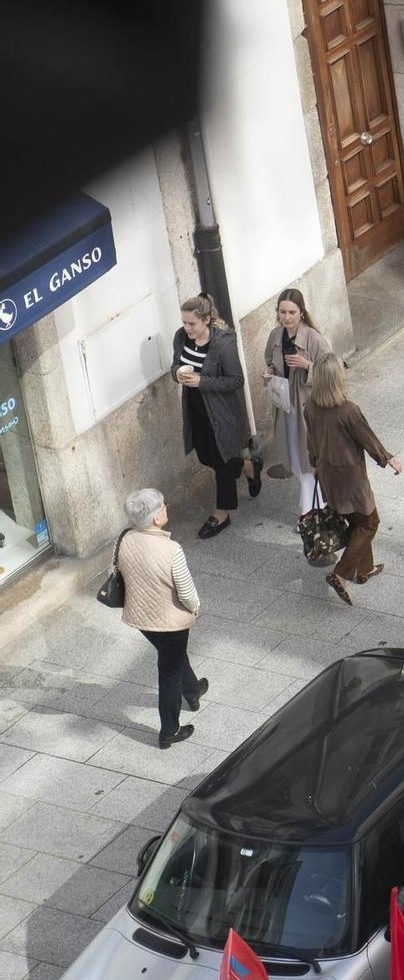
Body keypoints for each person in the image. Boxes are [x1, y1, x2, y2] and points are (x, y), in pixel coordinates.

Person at [304, 355, 403, 605]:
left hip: (328, 475)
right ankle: (341, 574)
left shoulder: (310, 407)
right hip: (350, 477)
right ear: (337, 378)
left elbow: (312, 441)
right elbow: (367, 439)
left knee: (356, 520)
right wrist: (388, 458)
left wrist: (314, 464)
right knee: (370, 522)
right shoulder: (348, 411)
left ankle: (364, 569)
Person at [117, 488, 203, 750]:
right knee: (168, 672)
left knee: (172, 655)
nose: (167, 508)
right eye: (163, 506)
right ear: (156, 518)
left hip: (141, 617)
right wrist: (195, 609)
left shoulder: (125, 539)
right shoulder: (171, 549)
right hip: (170, 621)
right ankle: (170, 730)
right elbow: (187, 592)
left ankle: (193, 690)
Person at [171, 294, 256, 539]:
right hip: (196, 410)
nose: (186, 328)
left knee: (221, 463)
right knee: (208, 456)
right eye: (184, 323)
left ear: (206, 321)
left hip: (222, 413)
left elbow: (236, 380)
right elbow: (174, 366)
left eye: (192, 324)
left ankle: (222, 513)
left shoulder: (223, 344)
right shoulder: (180, 337)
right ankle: (249, 466)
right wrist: (178, 374)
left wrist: (202, 381)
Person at [258, 287, 330, 515]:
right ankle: (315, 505)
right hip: (285, 406)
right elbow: (270, 360)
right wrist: (269, 373)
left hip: (308, 408)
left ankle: (309, 513)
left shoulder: (313, 338)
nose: (286, 317)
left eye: (291, 312)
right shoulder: (275, 336)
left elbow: (333, 371)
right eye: (282, 312)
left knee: (307, 461)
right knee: (294, 458)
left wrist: (306, 365)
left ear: (301, 313)